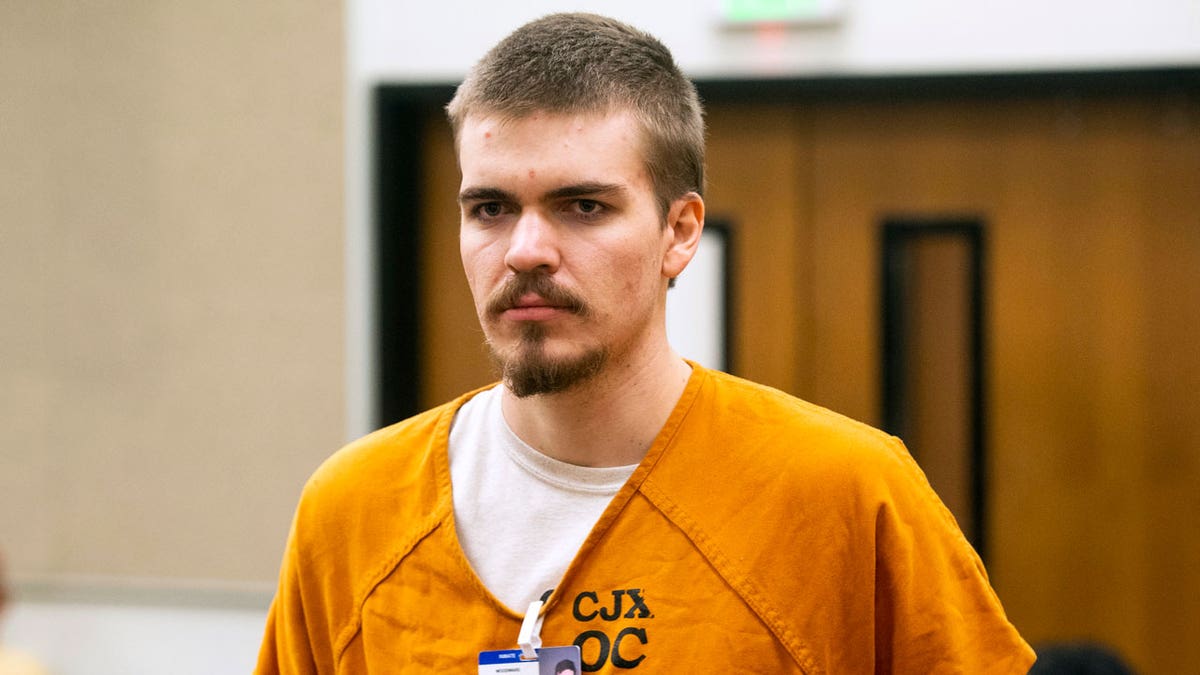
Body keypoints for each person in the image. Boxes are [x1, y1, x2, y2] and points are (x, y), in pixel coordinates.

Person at [257, 12, 1035, 673]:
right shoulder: (354, 512)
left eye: (583, 205)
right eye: (489, 208)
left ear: (680, 231)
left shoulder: (846, 498)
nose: (525, 249)